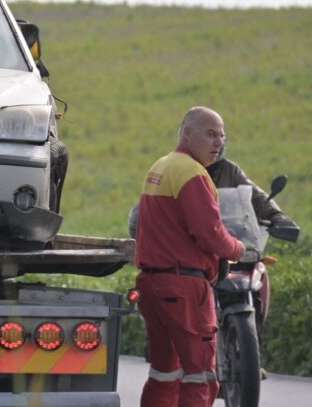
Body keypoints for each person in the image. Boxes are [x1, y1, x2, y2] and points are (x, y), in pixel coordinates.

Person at [134, 106, 245, 407]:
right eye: (210, 134)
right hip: (183, 287)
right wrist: (236, 248)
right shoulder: (192, 173)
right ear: (187, 133)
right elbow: (207, 231)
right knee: (200, 377)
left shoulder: (160, 167)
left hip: (152, 284)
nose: (218, 143)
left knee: (164, 374)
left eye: (221, 136)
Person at [206, 149, 300, 241]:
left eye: (220, 136)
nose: (216, 142)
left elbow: (255, 194)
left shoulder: (229, 169)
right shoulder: (192, 169)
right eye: (210, 134)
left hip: (226, 234)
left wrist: (276, 215)